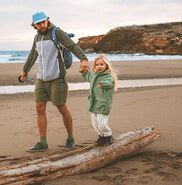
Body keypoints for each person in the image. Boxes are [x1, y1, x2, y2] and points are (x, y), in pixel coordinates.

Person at [20, 11, 89, 152]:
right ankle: (42, 142)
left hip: (57, 77)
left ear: (47, 20)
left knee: (61, 108)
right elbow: (33, 55)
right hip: (41, 79)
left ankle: (70, 138)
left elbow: (72, 46)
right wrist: (25, 71)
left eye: (43, 22)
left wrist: (83, 59)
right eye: (39, 23)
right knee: (39, 107)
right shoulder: (37, 37)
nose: (42, 25)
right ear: (34, 25)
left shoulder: (56, 32)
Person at [79, 54, 117, 146]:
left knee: (102, 122)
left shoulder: (108, 77)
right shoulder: (95, 75)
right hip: (94, 102)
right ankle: (101, 136)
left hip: (103, 104)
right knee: (95, 123)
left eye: (101, 64)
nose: (99, 67)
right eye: (97, 65)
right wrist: (84, 72)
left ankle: (108, 135)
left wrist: (102, 84)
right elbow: (89, 77)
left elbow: (109, 83)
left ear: (106, 65)